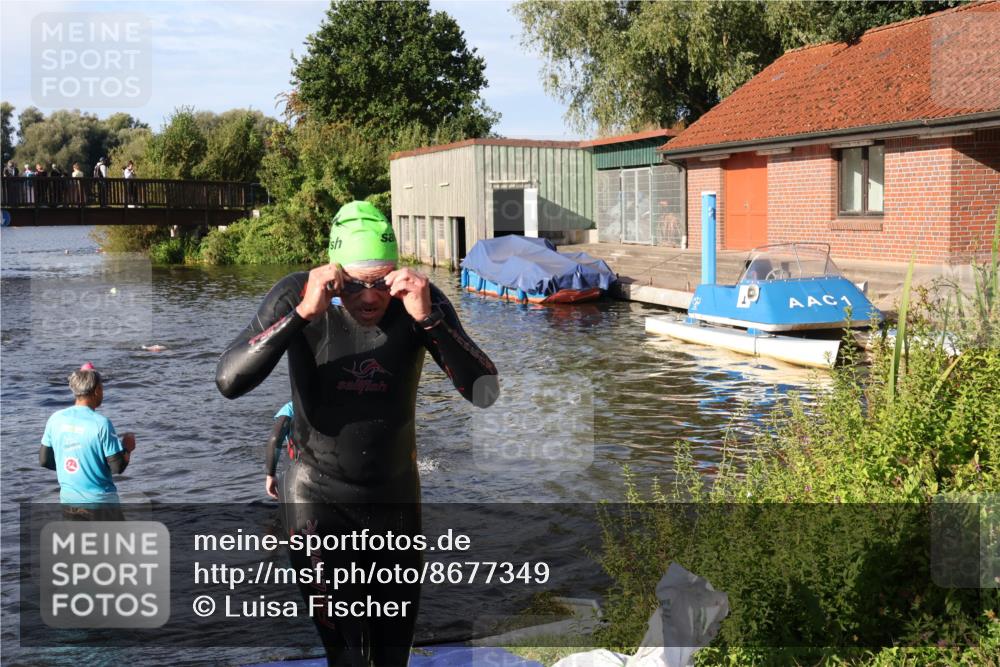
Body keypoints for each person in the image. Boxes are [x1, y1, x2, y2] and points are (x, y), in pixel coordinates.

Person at [216, 200, 499, 666]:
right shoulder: (297, 295)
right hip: (315, 499)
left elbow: (485, 392)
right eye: (355, 285)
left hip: (395, 497)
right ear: (335, 273)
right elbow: (229, 381)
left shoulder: (417, 299)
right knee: (345, 654)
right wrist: (304, 314)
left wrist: (430, 320)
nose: (370, 298)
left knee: (392, 654)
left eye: (381, 282)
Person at [39, 363, 137, 520]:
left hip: (69, 503)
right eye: (102, 388)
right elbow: (118, 466)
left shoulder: (55, 419)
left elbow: (44, 460)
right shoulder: (101, 424)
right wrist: (128, 448)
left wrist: (76, 469)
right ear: (97, 390)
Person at [264, 401, 294, 499]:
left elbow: (275, 439)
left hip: (296, 472)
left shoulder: (291, 407)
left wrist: (270, 475)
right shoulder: (341, 404)